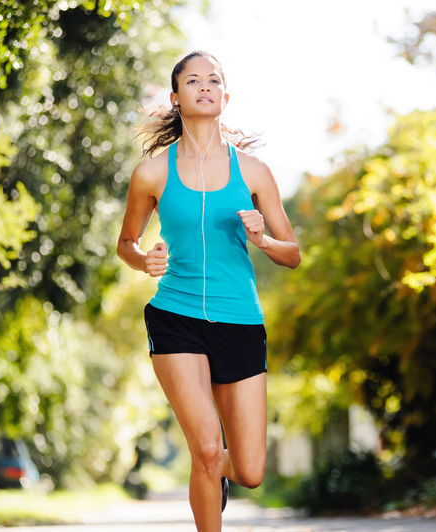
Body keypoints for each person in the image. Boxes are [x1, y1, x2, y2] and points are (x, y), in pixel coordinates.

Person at [116, 50, 301, 532]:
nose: (204, 86)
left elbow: (293, 253)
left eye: (213, 80)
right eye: (193, 81)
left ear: (225, 95)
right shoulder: (153, 173)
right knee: (203, 448)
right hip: (175, 317)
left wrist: (262, 239)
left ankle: (217, 473)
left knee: (250, 471)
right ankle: (207, 475)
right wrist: (143, 260)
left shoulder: (254, 171)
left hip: (240, 321)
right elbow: (126, 243)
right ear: (176, 98)